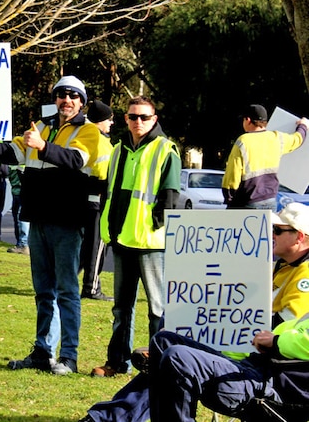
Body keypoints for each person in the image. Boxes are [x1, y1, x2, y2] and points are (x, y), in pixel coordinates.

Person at [80, 202, 309, 422]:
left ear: (300, 237)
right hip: (246, 356)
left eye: (278, 230)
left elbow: (274, 330)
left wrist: (224, 332)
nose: (271, 235)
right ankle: (110, 417)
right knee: (163, 340)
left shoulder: (305, 275)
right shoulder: (284, 266)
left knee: (175, 357)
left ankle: (109, 418)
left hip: (261, 369)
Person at [0, 75, 101, 375]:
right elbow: (12, 152)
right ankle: (42, 352)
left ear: (82, 102)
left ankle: (69, 357)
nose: (66, 100)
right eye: (61, 95)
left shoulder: (88, 131)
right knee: (43, 291)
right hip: (38, 219)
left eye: (73, 96)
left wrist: (41, 146)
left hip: (66, 222)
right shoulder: (41, 126)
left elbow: (75, 159)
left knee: (67, 291)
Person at [91, 96, 180, 378]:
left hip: (151, 242)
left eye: (143, 117)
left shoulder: (166, 150)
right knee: (121, 309)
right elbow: (111, 192)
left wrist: (156, 223)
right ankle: (117, 363)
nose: (137, 121)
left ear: (154, 119)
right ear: (125, 119)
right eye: (132, 116)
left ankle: (161, 367)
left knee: (158, 310)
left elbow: (170, 196)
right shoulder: (118, 150)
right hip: (121, 239)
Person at [222, 104, 309, 209]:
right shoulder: (277, 138)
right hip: (270, 200)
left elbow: (233, 174)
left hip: (247, 202)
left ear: (248, 120)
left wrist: (229, 196)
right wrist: (303, 125)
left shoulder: (243, 141)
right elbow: (298, 139)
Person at [80, 100, 115, 301]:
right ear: (101, 120)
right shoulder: (100, 140)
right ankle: (92, 288)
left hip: (84, 199)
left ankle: (61, 282)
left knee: (85, 248)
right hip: (97, 201)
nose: (111, 124)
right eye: (109, 120)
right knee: (97, 247)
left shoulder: (83, 134)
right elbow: (102, 173)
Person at [7, 164, 30, 254]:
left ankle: (23, 244)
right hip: (19, 191)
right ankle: (21, 243)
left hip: (20, 191)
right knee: (20, 217)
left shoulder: (19, 162)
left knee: (21, 218)